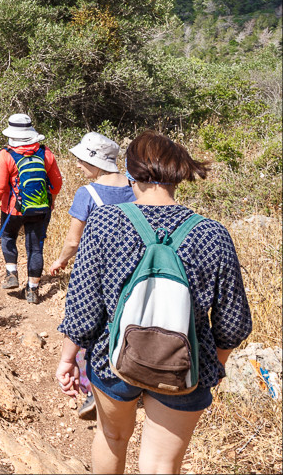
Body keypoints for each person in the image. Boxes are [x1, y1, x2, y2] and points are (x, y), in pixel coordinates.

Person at [56, 131, 251, 475]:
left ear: (129, 174)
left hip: (111, 359)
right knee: (161, 465)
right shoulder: (212, 233)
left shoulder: (105, 222)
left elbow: (83, 311)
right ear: (178, 176)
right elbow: (232, 324)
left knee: (112, 436)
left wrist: (68, 358)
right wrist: (213, 366)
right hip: (186, 365)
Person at [46, 131, 135, 421]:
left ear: (95, 162)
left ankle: (91, 388)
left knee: (89, 326)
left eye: (81, 159)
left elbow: (74, 240)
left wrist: (60, 261)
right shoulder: (137, 188)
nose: (77, 165)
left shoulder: (89, 193)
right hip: (134, 269)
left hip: (95, 271)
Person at [0, 113, 63, 304]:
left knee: (9, 237)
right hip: (40, 208)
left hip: (12, 209)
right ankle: (33, 290)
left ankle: (11, 274)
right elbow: (57, 183)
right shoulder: (46, 153)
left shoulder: (6, 155)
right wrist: (48, 201)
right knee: (35, 248)